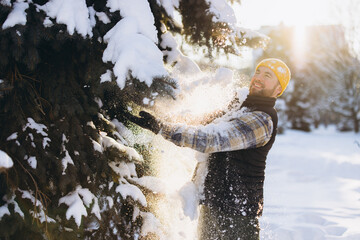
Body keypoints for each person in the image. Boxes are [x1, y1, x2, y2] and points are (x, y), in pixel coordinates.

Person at [127, 58, 291, 240]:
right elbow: (200, 121)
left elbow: (211, 138)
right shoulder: (240, 108)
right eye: (258, 72)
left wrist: (161, 128)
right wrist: (156, 115)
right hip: (214, 205)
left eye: (267, 75)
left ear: (278, 90)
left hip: (237, 214)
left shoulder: (262, 120)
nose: (258, 77)